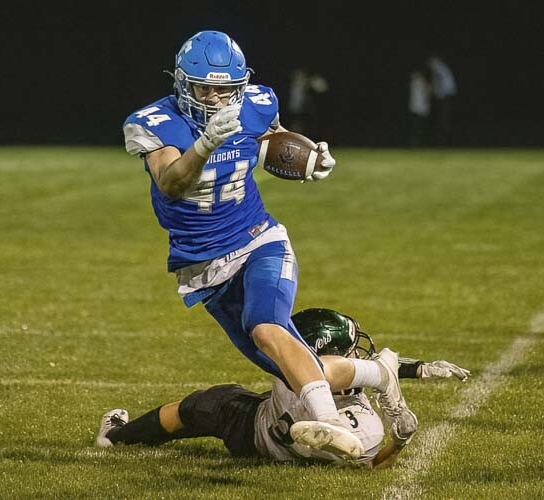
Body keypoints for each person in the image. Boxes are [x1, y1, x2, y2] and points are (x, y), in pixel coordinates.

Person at [121, 30, 381, 459]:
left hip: (259, 237)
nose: (215, 99)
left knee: (266, 322)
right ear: (182, 83)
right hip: (203, 262)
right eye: (204, 88)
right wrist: (205, 145)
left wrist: (309, 156)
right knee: (278, 366)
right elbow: (171, 183)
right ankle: (383, 373)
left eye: (225, 90)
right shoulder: (153, 122)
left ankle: (330, 423)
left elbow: (268, 142)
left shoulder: (257, 103)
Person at [95, 308, 470, 468]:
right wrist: (399, 441)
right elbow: (370, 461)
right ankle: (118, 436)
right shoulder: (366, 422)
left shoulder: (291, 368)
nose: (359, 353)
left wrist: (392, 371)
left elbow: (328, 369)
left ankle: (116, 436)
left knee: (195, 408)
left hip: (255, 426)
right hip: (299, 436)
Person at [286, 68, 328, 136]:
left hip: (302, 108)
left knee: (302, 124)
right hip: (296, 108)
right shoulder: (297, 84)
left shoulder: (302, 83)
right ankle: (294, 137)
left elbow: (321, 88)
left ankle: (300, 138)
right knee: (297, 124)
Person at [426, 55, 457, 146]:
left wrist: (433, 92)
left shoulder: (439, 69)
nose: (430, 65)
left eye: (431, 62)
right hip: (445, 97)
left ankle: (444, 142)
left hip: (446, 97)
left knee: (444, 120)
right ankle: (443, 141)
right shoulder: (441, 69)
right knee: (443, 120)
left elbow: (441, 84)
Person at [408, 68, 431, 147]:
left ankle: (420, 144)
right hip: (417, 108)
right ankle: (416, 144)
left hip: (420, 108)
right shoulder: (415, 83)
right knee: (416, 128)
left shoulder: (419, 83)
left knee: (420, 128)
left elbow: (427, 93)